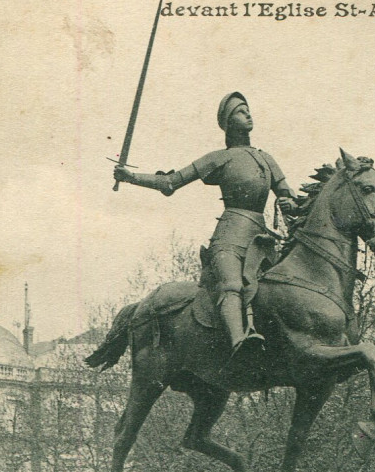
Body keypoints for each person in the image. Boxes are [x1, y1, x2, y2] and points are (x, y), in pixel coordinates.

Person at [113, 91, 298, 354]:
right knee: (232, 285)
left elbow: (285, 192)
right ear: (228, 122)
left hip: (262, 239)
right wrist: (131, 177)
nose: (248, 114)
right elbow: (170, 182)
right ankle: (239, 343)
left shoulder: (266, 158)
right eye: (240, 111)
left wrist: (289, 202)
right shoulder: (218, 158)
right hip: (230, 238)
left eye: (248, 110)